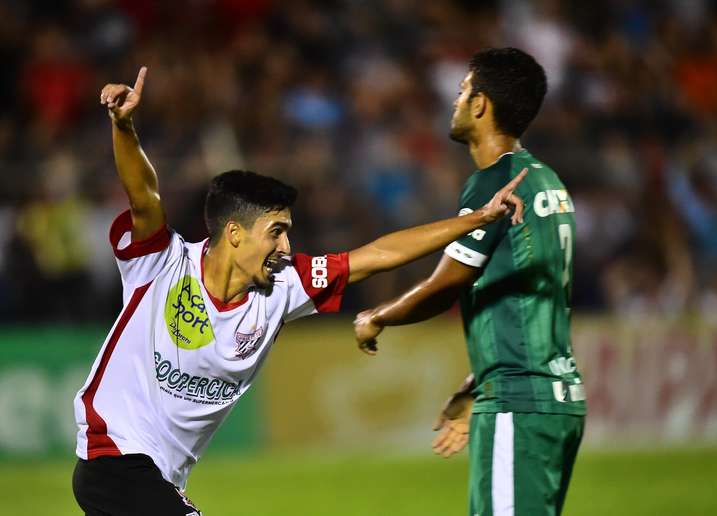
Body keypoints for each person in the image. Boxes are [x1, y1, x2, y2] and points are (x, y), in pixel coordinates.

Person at [71, 66, 528, 516]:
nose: (286, 246)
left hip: (158, 478)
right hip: (112, 458)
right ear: (234, 233)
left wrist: (477, 219)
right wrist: (124, 126)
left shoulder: (284, 287)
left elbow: (376, 255)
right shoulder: (162, 262)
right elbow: (144, 196)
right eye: (275, 232)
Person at [354, 48, 586, 516]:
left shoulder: (493, 184)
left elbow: (446, 284)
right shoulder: (547, 182)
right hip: (557, 399)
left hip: (519, 403)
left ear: (480, 105)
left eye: (462, 92)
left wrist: (377, 316)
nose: (456, 101)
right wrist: (478, 381)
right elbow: (523, 296)